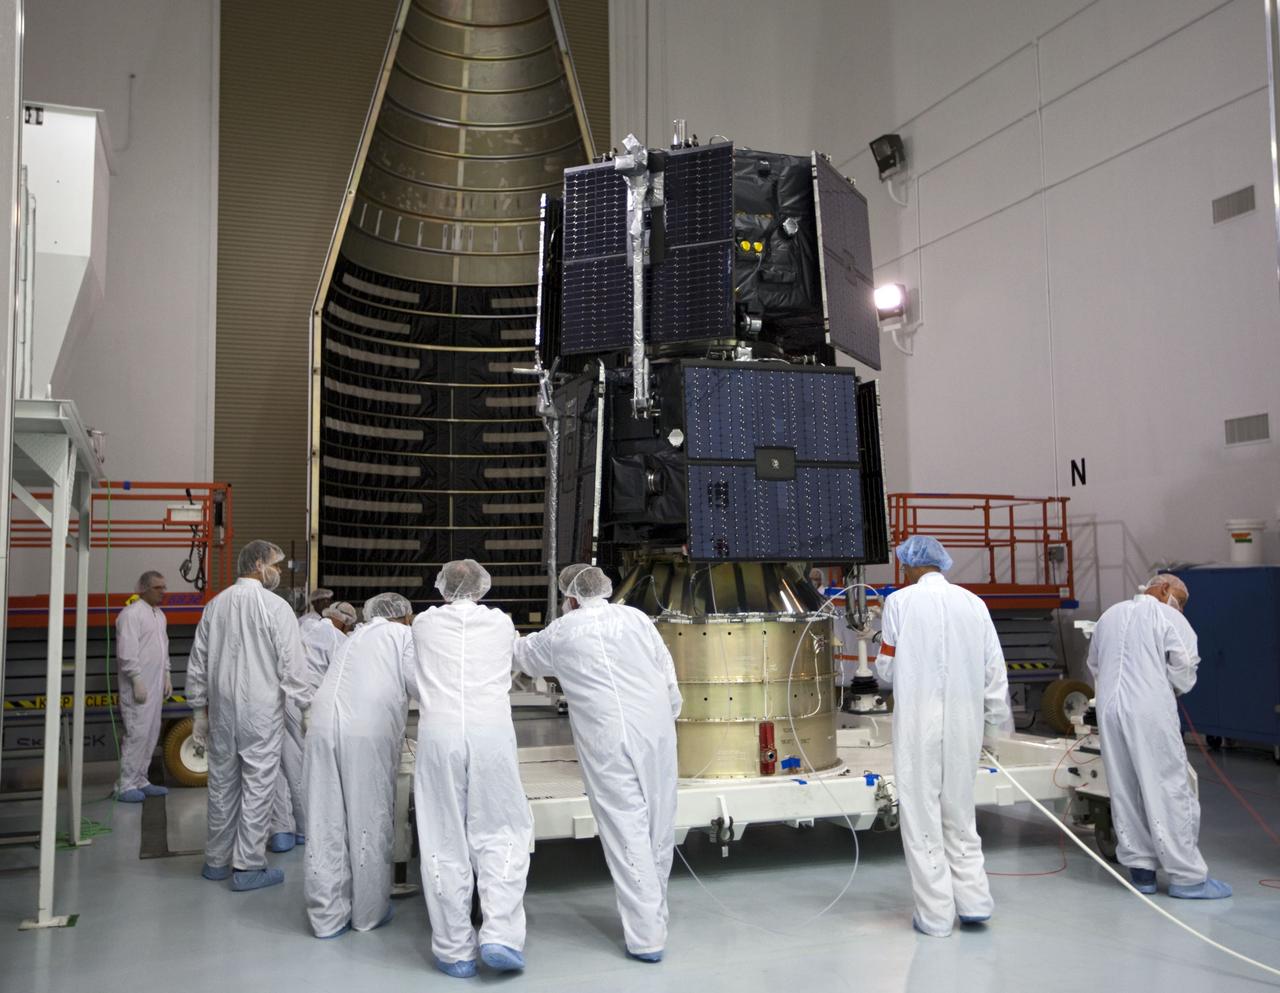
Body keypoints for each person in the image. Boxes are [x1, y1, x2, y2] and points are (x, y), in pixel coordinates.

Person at [514, 564, 681, 963]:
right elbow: (667, 670)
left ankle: (647, 936)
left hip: (607, 738)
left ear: (570, 597)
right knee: (659, 822)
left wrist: (497, 628)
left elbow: (523, 657)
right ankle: (655, 912)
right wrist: (667, 711)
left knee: (626, 828)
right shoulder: (636, 618)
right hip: (655, 729)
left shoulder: (561, 631)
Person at [873, 535, 1013, 937]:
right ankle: (974, 902)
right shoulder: (974, 604)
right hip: (964, 725)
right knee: (960, 812)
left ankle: (935, 917)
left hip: (918, 723)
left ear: (911, 566)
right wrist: (993, 727)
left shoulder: (899, 603)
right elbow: (994, 672)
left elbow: (886, 666)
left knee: (921, 816)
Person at [410, 560, 532, 978]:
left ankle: (454, 948)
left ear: (442, 589)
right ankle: (500, 933)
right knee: (502, 829)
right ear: (481, 588)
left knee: (443, 837)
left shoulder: (424, 625)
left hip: (439, 736)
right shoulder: (500, 624)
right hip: (491, 735)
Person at [1087, 574, 1231, 899]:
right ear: (1164, 589)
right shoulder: (1168, 617)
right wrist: (1170, 685)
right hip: (1149, 709)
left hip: (1109, 709)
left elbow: (1094, 663)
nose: (1180, 607)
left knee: (1124, 787)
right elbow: (1184, 664)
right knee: (1168, 785)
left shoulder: (1109, 615)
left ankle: (1141, 871)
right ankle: (1187, 877)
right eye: (1180, 600)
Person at [186, 539, 306, 891]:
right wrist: (306, 708)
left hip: (222, 712)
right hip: (261, 712)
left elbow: (198, 661)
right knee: (258, 786)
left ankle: (216, 861)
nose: (279, 571)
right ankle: (248, 865)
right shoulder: (275, 607)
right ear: (258, 564)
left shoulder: (215, 606)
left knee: (222, 785)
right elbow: (293, 666)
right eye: (276, 564)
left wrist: (198, 710)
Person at [303, 592, 414, 938]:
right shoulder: (402, 636)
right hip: (365, 731)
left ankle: (327, 918)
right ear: (404, 616)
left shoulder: (355, 636)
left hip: (320, 726)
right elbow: (422, 683)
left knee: (325, 820)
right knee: (369, 816)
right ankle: (368, 913)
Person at [269, 600, 358, 852]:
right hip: (306, 704)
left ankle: (280, 830)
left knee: (281, 764)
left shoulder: (304, 625)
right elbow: (343, 678)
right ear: (344, 621)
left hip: (280, 697)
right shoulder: (336, 638)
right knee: (303, 765)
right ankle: (304, 828)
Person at [114, 571, 172, 802]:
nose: (163, 592)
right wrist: (136, 678)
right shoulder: (130, 615)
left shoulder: (159, 615)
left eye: (164, 587)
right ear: (144, 589)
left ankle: (140, 779)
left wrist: (166, 674)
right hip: (137, 687)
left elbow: (163, 646)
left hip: (155, 685)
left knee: (150, 733)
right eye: (158, 588)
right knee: (137, 733)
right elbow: (126, 651)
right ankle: (125, 784)